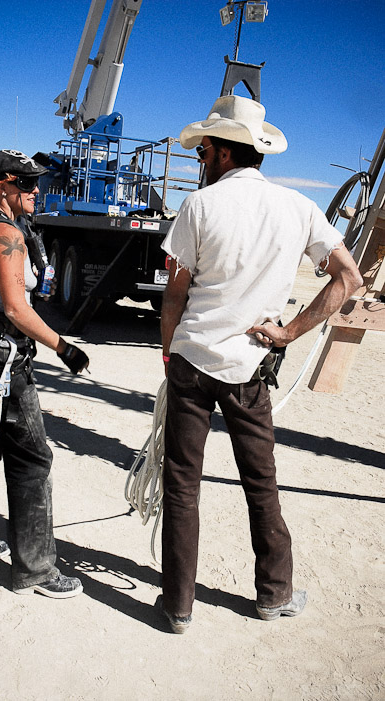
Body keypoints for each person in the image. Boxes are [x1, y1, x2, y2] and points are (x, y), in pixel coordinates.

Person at [157, 96, 362, 633]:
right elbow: (349, 279)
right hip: (250, 366)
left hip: (193, 360)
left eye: (205, 149)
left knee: (182, 483)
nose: (201, 157)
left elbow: (175, 295)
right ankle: (274, 595)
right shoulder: (298, 208)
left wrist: (168, 349)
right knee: (261, 482)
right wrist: (288, 333)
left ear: (225, 152)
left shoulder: (198, 208)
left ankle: (177, 608)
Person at [0, 149, 89, 598]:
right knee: (32, 459)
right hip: (3, 364)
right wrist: (64, 347)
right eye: (27, 184)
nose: (36, 190)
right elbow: (15, 307)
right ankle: (36, 569)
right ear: (3, 186)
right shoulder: (5, 233)